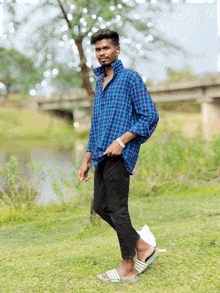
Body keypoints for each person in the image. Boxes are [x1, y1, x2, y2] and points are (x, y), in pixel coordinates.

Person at [77, 29, 159, 283]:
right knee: (101, 207)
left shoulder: (130, 79)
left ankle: (128, 269)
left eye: (106, 48)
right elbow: (96, 125)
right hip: (101, 156)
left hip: (120, 156)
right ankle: (143, 246)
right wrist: (86, 159)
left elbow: (150, 116)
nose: (102, 53)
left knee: (118, 209)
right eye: (98, 49)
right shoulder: (101, 84)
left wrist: (122, 141)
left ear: (117, 50)